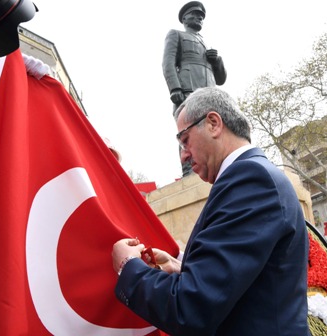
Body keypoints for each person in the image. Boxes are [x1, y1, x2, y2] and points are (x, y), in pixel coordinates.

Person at [112, 87, 309, 335]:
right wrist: (180, 265)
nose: (184, 155)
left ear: (213, 124)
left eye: (185, 140)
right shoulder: (252, 177)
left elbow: (191, 308)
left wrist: (128, 265)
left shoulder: (250, 179)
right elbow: (243, 280)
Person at [162, 1, 227, 177]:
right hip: (187, 90)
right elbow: (168, 63)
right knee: (188, 131)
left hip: (211, 94)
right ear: (184, 18)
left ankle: (217, 164)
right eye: (195, 15)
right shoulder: (176, 34)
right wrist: (175, 88)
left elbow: (221, 79)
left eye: (201, 17)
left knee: (214, 129)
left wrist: (217, 61)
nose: (199, 18)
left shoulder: (206, 44)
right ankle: (189, 169)